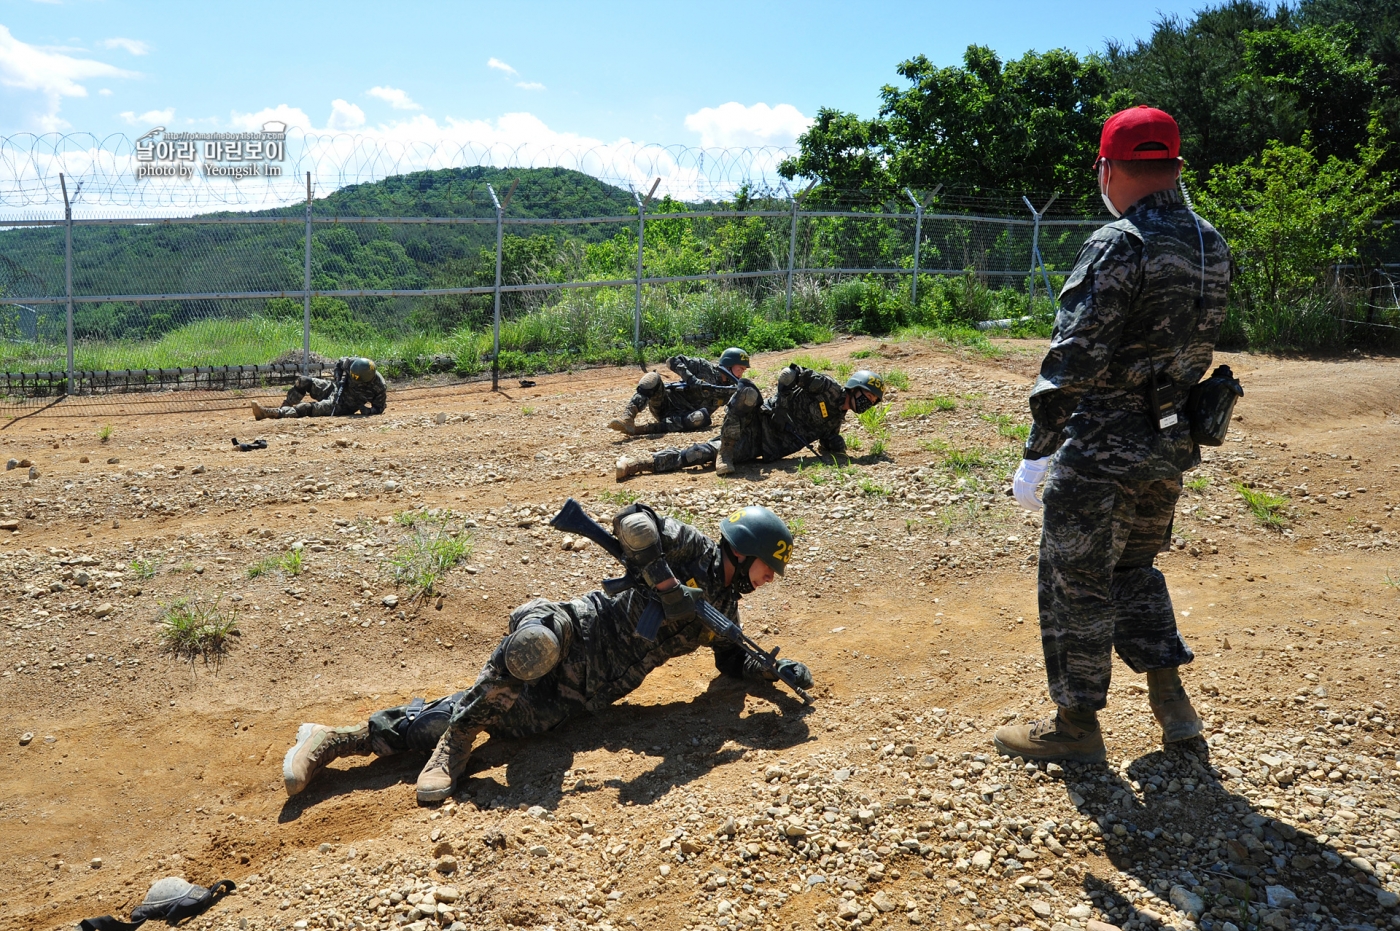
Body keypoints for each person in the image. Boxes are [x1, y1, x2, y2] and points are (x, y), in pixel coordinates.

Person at [282, 503, 812, 803]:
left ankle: (336, 740)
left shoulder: (722, 610)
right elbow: (634, 521)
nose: (768, 581)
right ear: (743, 552)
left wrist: (772, 669)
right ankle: (457, 746)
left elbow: (731, 661)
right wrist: (664, 583)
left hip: (576, 697)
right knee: (533, 648)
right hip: (568, 629)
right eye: (769, 568)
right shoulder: (694, 548)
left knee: (477, 713)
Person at [993, 105, 1232, 763]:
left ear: (1109, 167)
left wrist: (1037, 457)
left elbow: (1072, 358)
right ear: (1174, 167)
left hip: (1099, 451)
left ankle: (1074, 725)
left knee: (1077, 580)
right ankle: (1171, 704)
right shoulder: (1212, 244)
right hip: (1169, 445)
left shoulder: (1117, 243)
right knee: (1134, 569)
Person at [615, 366, 884, 480]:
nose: (867, 403)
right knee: (746, 392)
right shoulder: (827, 387)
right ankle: (724, 453)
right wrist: (782, 406)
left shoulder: (836, 419)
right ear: (854, 388)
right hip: (758, 421)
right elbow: (789, 374)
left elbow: (830, 443)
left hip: (764, 447)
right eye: (867, 396)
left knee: (698, 454)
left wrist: (836, 448)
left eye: (872, 402)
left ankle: (638, 464)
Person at [608, 347, 751, 436]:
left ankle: (640, 430)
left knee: (701, 418)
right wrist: (691, 379)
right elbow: (672, 361)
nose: (741, 374)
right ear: (729, 364)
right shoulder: (704, 366)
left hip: (685, 417)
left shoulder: (731, 388)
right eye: (741, 369)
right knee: (652, 378)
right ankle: (627, 417)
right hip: (666, 403)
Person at [251, 357, 386, 420]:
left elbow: (379, 408)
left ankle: (274, 413)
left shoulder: (379, 386)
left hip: (342, 405)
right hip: (334, 388)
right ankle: (286, 406)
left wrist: (366, 410)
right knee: (303, 381)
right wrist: (339, 381)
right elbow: (339, 365)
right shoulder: (352, 363)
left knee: (308, 408)